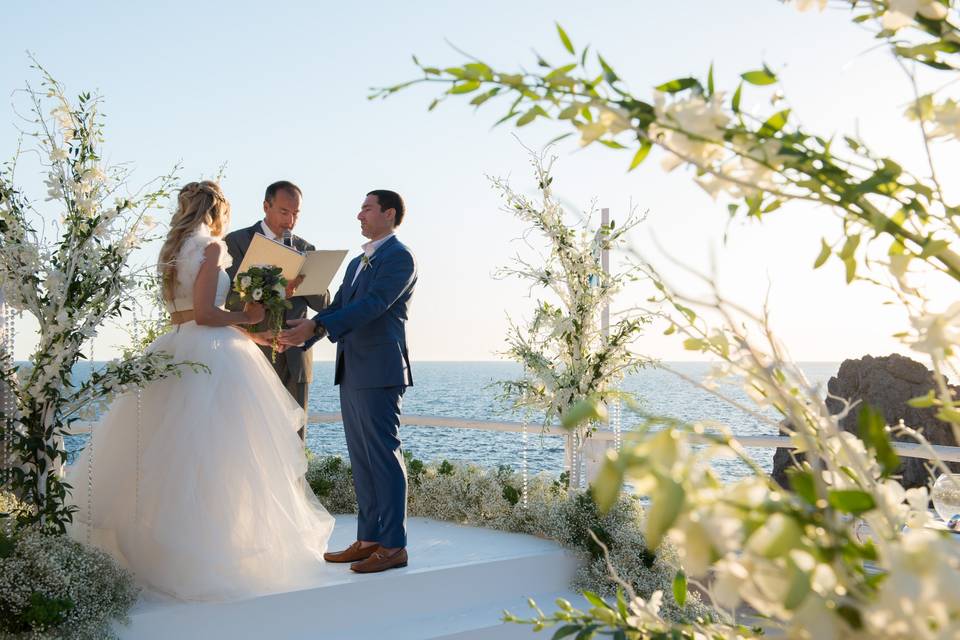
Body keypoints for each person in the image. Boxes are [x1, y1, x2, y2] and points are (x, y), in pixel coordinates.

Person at [66, 181, 334, 601]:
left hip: (175, 345)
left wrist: (257, 337)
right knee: (220, 457)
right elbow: (209, 313)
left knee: (166, 454)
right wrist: (247, 316)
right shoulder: (211, 247)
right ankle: (213, 547)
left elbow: (188, 313)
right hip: (210, 354)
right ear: (218, 209)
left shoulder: (171, 250)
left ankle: (152, 546)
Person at [281, 189, 416, 574]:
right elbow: (339, 306)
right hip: (352, 370)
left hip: (381, 370)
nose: (359, 215)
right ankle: (369, 538)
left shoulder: (400, 258)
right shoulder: (358, 261)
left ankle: (394, 546)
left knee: (384, 457)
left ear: (389, 214)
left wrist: (318, 324)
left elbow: (372, 305)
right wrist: (302, 334)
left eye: (367, 208)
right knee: (362, 459)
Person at [224, 180, 329, 440]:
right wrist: (278, 287)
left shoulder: (305, 248)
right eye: (284, 212)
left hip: (295, 358)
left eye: (296, 214)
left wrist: (305, 275)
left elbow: (324, 304)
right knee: (248, 439)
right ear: (266, 206)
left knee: (293, 442)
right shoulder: (236, 242)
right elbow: (229, 299)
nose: (290, 220)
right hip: (251, 353)